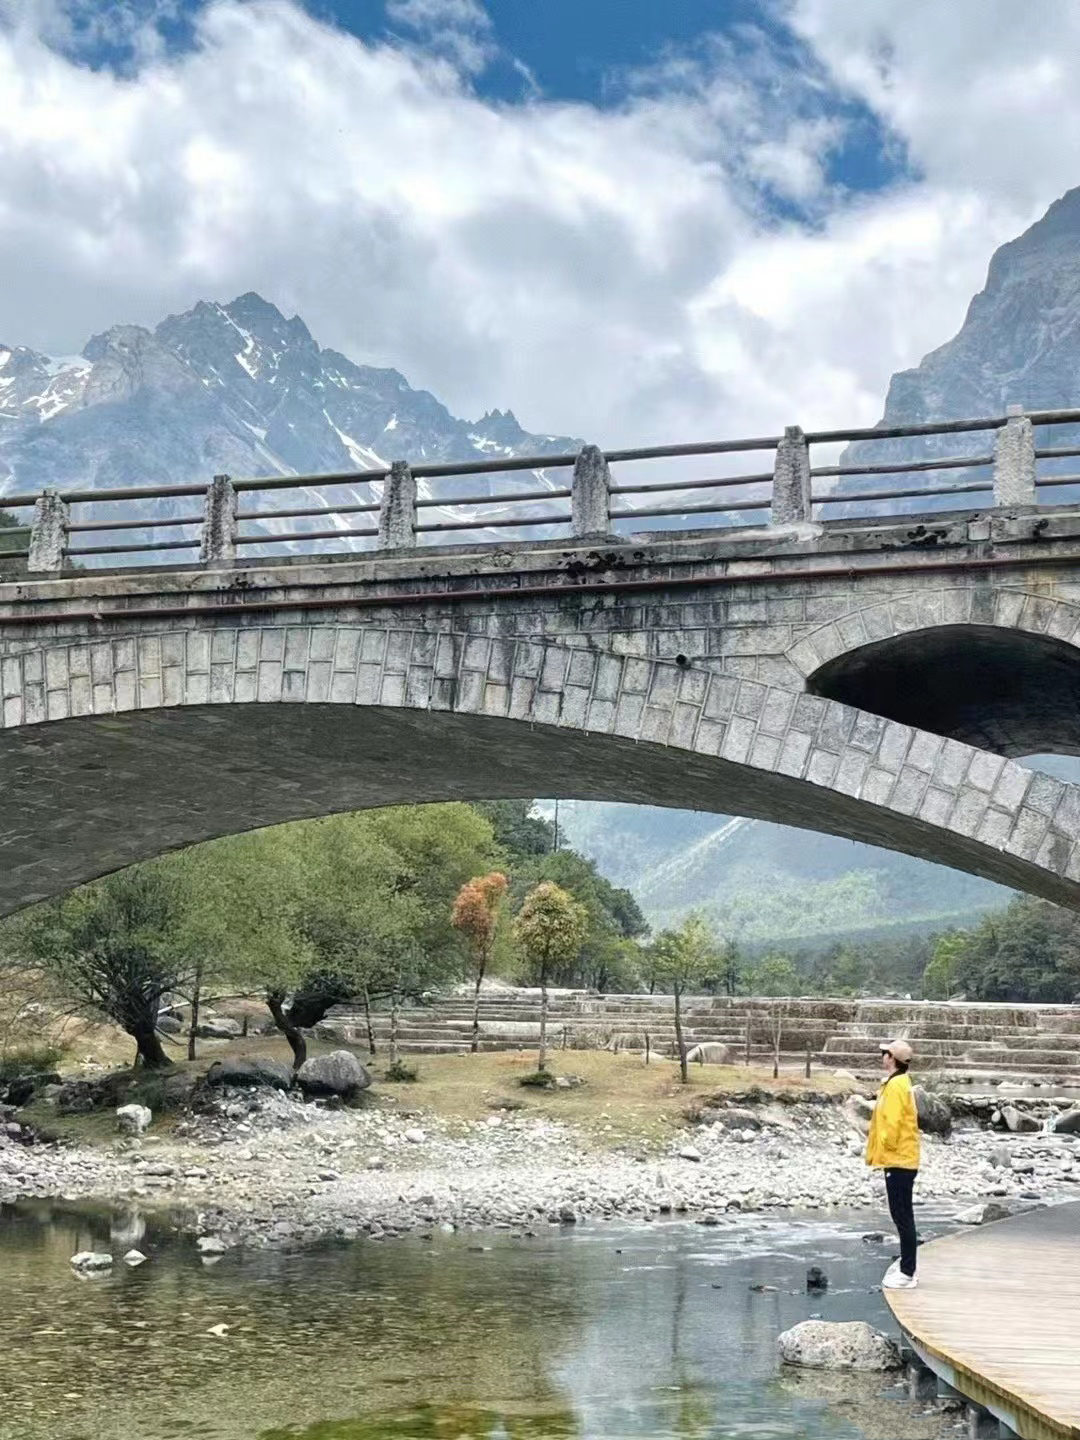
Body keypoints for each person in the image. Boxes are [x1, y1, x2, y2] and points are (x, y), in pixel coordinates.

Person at [865, 1038, 920, 1290]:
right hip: (898, 1158)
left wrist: (885, 1147)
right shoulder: (895, 1083)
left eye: (885, 1053)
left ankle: (908, 1272)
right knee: (900, 1214)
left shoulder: (897, 1086)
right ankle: (907, 1266)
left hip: (899, 1159)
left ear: (892, 1059)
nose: (882, 1057)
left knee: (902, 1215)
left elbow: (893, 1124)